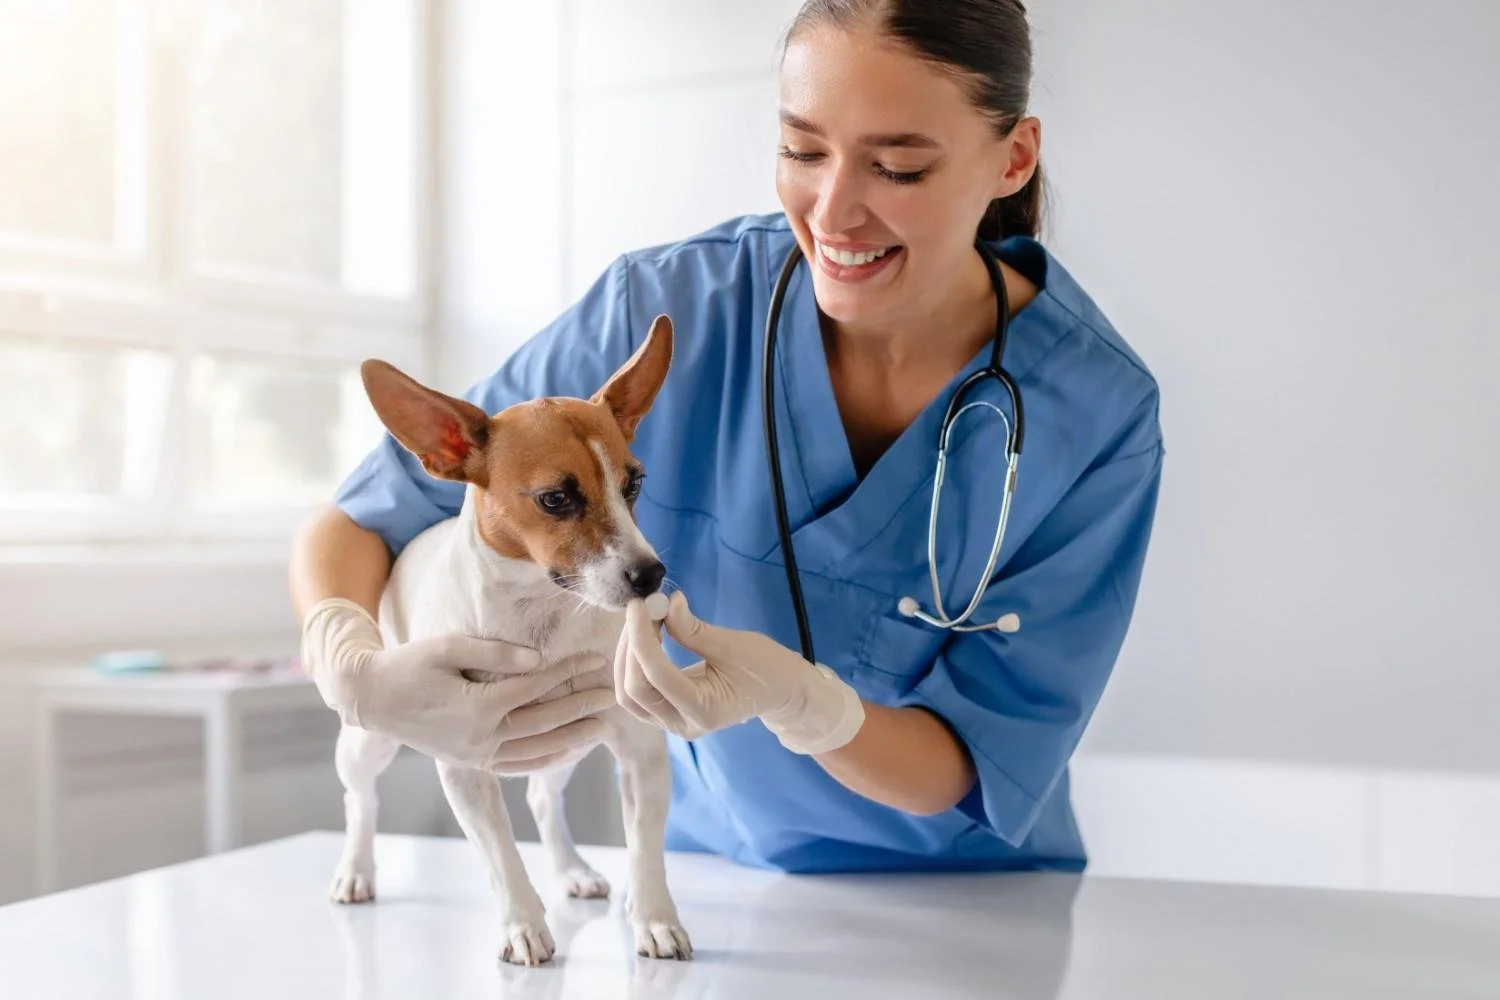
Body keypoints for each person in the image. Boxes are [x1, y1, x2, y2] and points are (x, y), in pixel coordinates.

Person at [292, 0, 1164, 874]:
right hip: (714, 879)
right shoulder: (664, 309)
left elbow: (984, 751)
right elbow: (364, 519)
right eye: (802, 150)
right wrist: (347, 660)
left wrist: (807, 704)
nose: (833, 210)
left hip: (970, 900)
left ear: (1012, 159)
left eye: (897, 168)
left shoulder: (1094, 411)